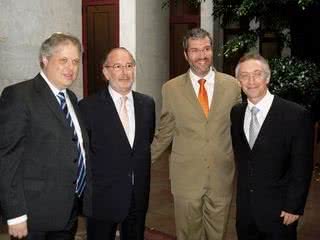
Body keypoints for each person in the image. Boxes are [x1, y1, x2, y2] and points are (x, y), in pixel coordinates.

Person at [151, 28, 241, 240]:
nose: (202, 55)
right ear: (185, 54)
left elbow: (240, 130)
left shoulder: (233, 86)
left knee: (217, 235)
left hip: (221, 176)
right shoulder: (170, 89)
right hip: (186, 178)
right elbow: (165, 132)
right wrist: (140, 162)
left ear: (212, 50)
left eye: (206, 49)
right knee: (188, 235)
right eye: (195, 50)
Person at [0, 32, 90, 239]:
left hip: (67, 211)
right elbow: (7, 159)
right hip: (34, 217)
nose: (71, 68)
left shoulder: (71, 98)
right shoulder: (19, 96)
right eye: (63, 60)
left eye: (76, 61)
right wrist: (15, 215)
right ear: (44, 60)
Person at [231, 53, 314, 240]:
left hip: (280, 213)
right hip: (245, 213)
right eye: (244, 75)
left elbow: (302, 166)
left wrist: (294, 206)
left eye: (257, 74)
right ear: (238, 81)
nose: (251, 80)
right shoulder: (236, 113)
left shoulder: (295, 115)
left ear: (267, 77)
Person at [79, 47, 155, 240]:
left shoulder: (147, 104)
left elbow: (144, 144)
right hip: (103, 198)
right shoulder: (88, 107)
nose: (125, 72)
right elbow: (84, 154)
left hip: (137, 196)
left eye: (129, 66)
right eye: (118, 66)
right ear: (106, 72)